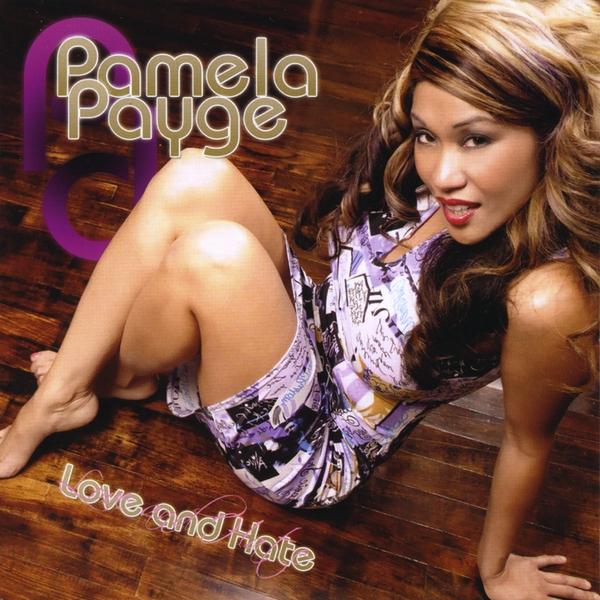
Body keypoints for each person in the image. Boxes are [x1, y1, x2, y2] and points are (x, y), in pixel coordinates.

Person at [1, 0, 598, 597]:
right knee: (196, 175)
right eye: (427, 135)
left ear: (553, 133)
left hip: (318, 441)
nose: (441, 174)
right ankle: (66, 395)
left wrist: (496, 572)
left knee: (214, 255)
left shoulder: (547, 299)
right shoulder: (451, 180)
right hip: (312, 327)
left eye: (476, 139)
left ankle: (122, 378)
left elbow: (527, 440)